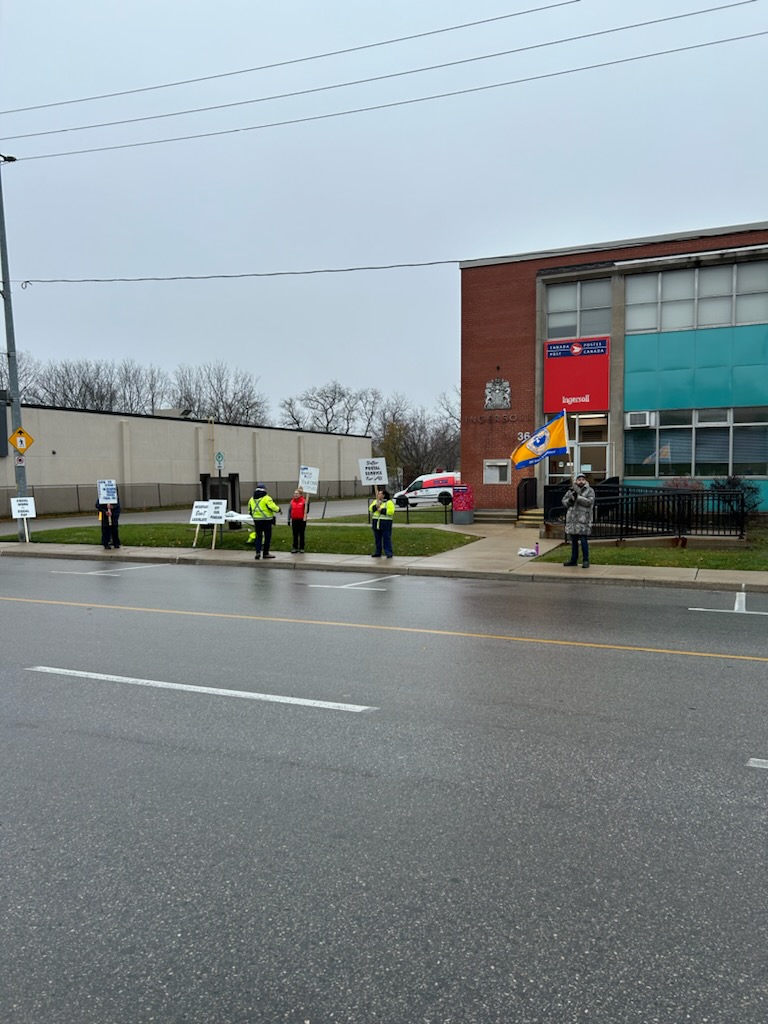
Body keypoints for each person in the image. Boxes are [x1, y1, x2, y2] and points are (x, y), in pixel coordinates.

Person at [562, 472, 595, 568]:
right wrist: (570, 500)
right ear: (576, 481)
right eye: (579, 479)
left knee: (584, 541)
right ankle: (573, 560)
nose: (581, 481)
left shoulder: (589, 491)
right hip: (573, 520)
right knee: (574, 542)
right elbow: (564, 501)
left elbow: (589, 502)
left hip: (583, 520)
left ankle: (586, 560)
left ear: (585, 481)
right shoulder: (571, 490)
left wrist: (578, 497)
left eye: (582, 479)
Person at [248, 484, 281, 560]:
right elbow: (273, 507)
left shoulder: (252, 499)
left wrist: (255, 516)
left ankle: (258, 552)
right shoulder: (267, 498)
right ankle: (266, 553)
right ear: (264, 489)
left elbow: (249, 510)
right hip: (267, 520)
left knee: (258, 537)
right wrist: (279, 509)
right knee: (267, 537)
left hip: (257, 520)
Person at [369, 488, 396, 558]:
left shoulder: (389, 502)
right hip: (376, 523)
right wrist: (375, 506)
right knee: (377, 539)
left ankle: (388, 552)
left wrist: (382, 510)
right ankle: (378, 552)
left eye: (379, 494)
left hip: (385, 523)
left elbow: (391, 511)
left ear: (383, 495)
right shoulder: (376, 501)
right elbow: (370, 509)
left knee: (386, 539)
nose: (378, 495)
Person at [288, 487, 308, 553]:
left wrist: (307, 504)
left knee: (301, 534)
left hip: (301, 520)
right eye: (295, 493)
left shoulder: (304, 501)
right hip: (294, 520)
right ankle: (295, 547)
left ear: (300, 494)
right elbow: (289, 511)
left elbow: (306, 511)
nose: (295, 495)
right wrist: (288, 519)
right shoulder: (292, 502)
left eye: (297, 493)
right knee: (295, 534)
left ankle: (302, 547)